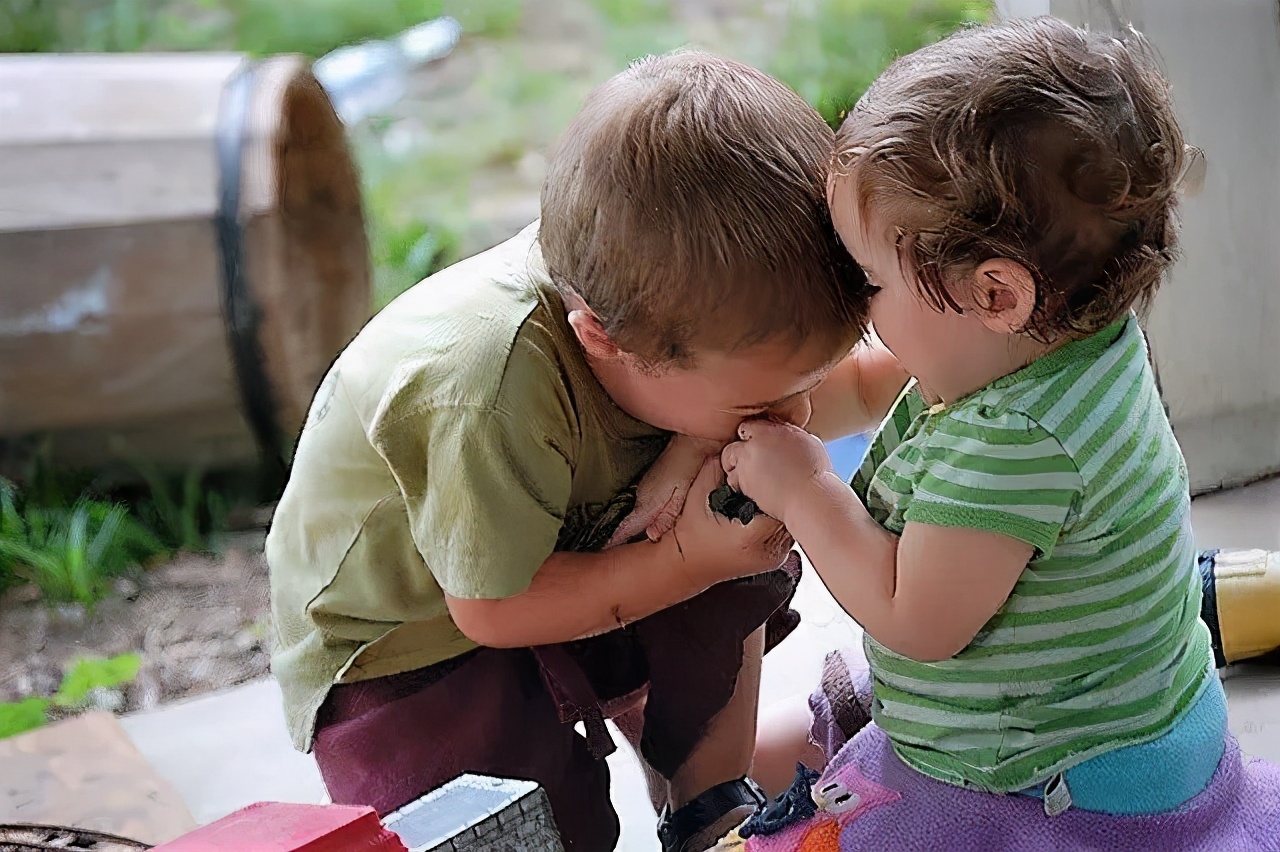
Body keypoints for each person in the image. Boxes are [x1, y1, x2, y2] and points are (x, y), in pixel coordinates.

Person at [266, 50, 869, 852]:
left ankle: (706, 805)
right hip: (413, 635)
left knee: (739, 524)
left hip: (571, 538)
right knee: (522, 827)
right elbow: (490, 608)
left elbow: (857, 386)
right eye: (761, 400)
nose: (792, 409)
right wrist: (690, 557)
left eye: (805, 380)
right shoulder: (486, 385)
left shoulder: (678, 315)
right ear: (604, 341)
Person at [716, 17, 1280, 846]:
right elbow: (879, 381)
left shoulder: (1016, 441)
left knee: (819, 822)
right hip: (1119, 707)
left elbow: (915, 620)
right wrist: (769, 402)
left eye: (869, 282)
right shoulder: (1058, 339)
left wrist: (805, 491)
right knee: (812, 736)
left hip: (1055, 784)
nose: (857, 307)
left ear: (995, 295)